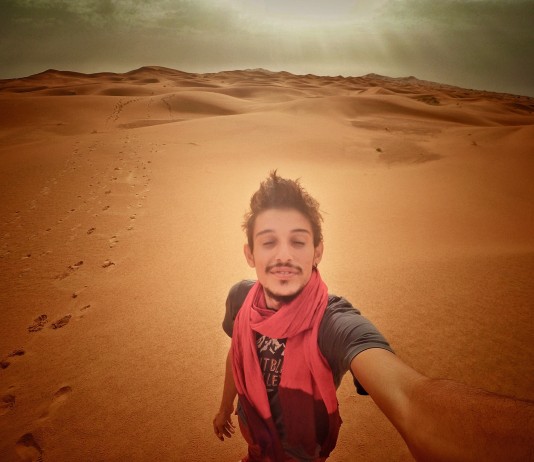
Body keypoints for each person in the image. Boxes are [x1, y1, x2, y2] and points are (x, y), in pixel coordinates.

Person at [213, 171, 533, 462]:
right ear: (250, 253)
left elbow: (409, 400)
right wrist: (226, 406)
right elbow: (237, 352)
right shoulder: (241, 298)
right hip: (254, 437)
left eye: (297, 241)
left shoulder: (331, 322)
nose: (283, 255)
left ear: (317, 251)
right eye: (268, 241)